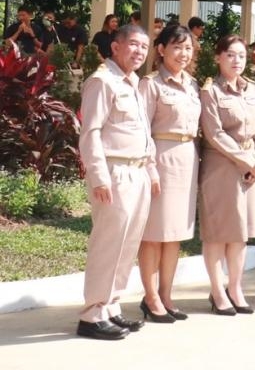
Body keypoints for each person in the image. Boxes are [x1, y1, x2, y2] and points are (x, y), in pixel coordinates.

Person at [75, 23, 157, 340]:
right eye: (133, 45)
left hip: (136, 171)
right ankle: (92, 314)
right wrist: (98, 176)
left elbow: (143, 132)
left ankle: (111, 306)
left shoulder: (133, 83)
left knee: (127, 244)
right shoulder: (102, 81)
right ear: (116, 47)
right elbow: (91, 132)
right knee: (108, 244)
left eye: (143, 47)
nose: (138, 52)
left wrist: (150, 167)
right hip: (114, 173)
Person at [199, 35, 255, 315]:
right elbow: (214, 134)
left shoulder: (253, 90)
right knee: (218, 233)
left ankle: (235, 287)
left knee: (240, 234)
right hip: (222, 167)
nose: (236, 60)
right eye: (230, 55)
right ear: (218, 57)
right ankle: (217, 292)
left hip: (250, 168)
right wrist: (247, 163)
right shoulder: (211, 91)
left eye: (241, 55)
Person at [137, 25, 201, 324]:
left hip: (187, 161)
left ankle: (166, 294)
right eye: (177, 47)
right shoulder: (150, 84)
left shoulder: (193, 85)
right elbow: (143, 131)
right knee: (153, 234)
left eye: (188, 48)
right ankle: (150, 298)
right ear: (161, 49)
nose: (183, 54)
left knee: (175, 235)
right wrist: (150, 169)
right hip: (160, 160)